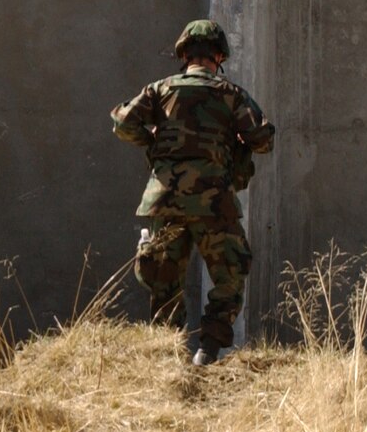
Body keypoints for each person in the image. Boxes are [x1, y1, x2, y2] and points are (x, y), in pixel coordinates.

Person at [110, 19, 274, 366]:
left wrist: (155, 140)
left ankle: (172, 356)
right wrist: (238, 142)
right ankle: (208, 351)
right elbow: (264, 139)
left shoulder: (159, 89)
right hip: (215, 202)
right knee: (230, 275)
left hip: (165, 201)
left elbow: (123, 124)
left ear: (184, 54)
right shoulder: (231, 94)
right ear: (218, 55)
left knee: (163, 280)